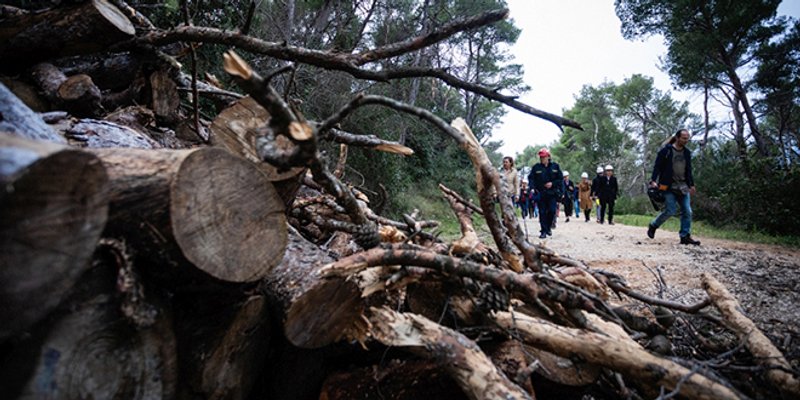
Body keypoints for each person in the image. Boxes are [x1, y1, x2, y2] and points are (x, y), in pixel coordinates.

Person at [647, 129, 701, 245]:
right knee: (670, 210)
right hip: (668, 186)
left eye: (687, 138)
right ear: (677, 138)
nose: (686, 140)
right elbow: (657, 166)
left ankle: (685, 236)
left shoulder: (687, 152)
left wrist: (691, 184)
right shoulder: (666, 151)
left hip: (683, 186)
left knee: (687, 211)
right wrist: (653, 180)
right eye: (684, 138)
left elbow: (689, 170)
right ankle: (653, 225)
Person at [528, 148, 563, 238]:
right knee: (542, 212)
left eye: (544, 157)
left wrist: (553, 184)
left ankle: (548, 227)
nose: (542, 158)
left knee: (552, 211)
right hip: (541, 194)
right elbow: (531, 179)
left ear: (548, 157)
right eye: (541, 157)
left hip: (552, 194)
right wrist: (532, 188)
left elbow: (560, 179)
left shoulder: (555, 167)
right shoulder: (536, 168)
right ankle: (543, 231)